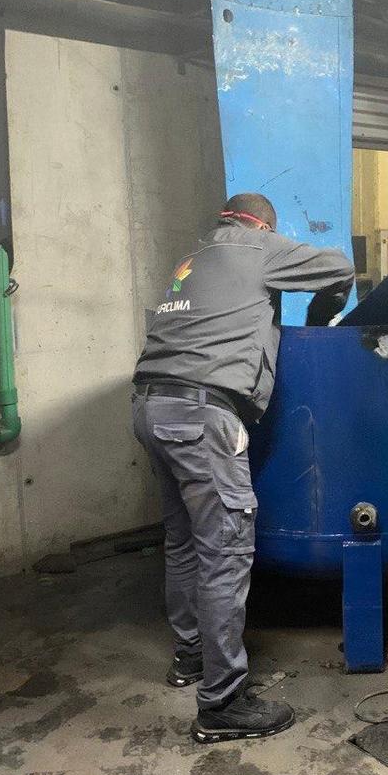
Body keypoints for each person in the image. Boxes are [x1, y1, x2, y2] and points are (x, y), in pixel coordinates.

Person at [132, 192, 355, 743]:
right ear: (261, 225)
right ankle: (223, 702)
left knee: (183, 542)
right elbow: (340, 265)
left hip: (151, 406)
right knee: (226, 549)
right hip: (202, 413)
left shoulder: (195, 257)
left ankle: (190, 656)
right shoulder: (258, 246)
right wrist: (327, 309)